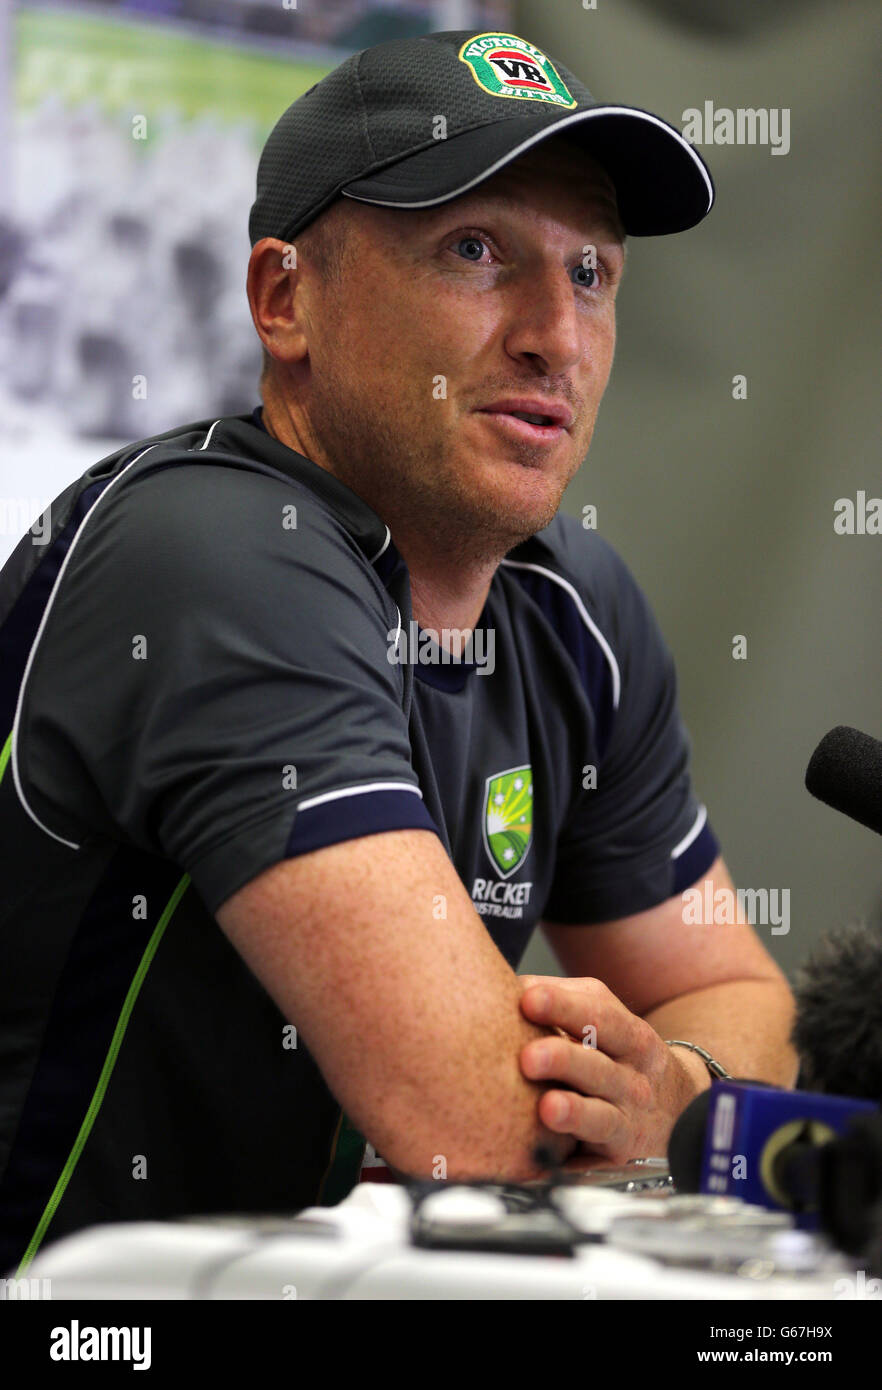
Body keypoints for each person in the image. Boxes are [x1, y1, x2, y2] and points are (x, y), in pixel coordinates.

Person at [0, 29, 796, 1276]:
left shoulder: (576, 604)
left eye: (590, 271)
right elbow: (474, 1127)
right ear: (286, 301)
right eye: (475, 251)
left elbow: (742, 999)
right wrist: (678, 1125)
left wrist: (678, 1092)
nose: (555, 335)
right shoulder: (212, 554)